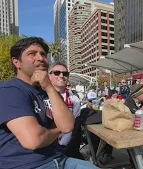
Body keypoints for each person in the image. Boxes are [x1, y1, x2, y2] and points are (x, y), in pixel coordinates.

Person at [0, 37, 98, 169]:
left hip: (60, 159)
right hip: (27, 164)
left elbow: (68, 126)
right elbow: (34, 140)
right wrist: (58, 127)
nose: (40, 58)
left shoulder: (48, 90)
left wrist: (50, 88)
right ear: (17, 62)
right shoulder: (10, 91)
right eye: (32, 54)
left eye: (43, 54)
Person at [48, 62, 81, 148]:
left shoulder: (75, 100)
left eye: (65, 73)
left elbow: (73, 125)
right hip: (46, 145)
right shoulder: (40, 96)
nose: (61, 75)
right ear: (49, 76)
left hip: (66, 146)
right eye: (57, 73)